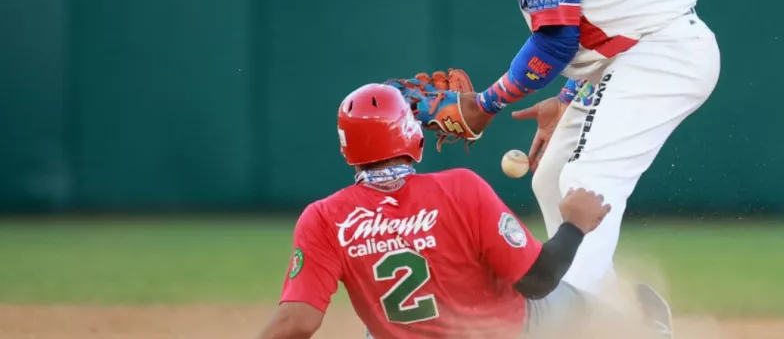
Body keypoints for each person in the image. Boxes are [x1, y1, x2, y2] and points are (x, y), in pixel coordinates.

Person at [387, 0, 721, 303]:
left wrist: (486, 102)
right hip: (638, 51)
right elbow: (606, 10)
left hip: (660, 53)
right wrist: (569, 94)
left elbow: (557, 42)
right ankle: (615, 313)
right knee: (552, 172)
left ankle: (575, 317)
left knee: (586, 181)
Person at [258, 83, 615, 339]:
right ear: (412, 136)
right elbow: (537, 281)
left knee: (376, 329)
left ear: (345, 150)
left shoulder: (324, 218)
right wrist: (574, 224)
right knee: (578, 305)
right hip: (506, 331)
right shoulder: (460, 188)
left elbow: (298, 321)